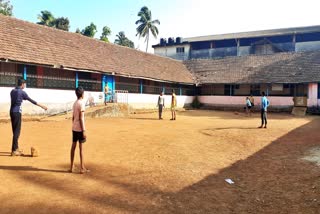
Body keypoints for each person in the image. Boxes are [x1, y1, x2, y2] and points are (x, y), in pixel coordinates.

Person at [10, 78, 47, 156]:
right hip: (17, 113)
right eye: (24, 84)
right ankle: (14, 150)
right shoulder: (22, 92)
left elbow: (17, 97)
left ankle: (16, 148)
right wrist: (42, 106)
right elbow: (32, 101)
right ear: (22, 84)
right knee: (17, 132)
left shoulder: (12, 91)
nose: (25, 85)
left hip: (12, 112)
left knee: (14, 130)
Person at [69, 87, 89, 173]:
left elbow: (73, 117)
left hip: (74, 128)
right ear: (82, 94)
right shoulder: (81, 103)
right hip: (80, 129)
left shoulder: (75, 103)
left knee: (73, 147)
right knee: (81, 149)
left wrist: (74, 125)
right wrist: (83, 130)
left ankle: (71, 167)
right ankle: (82, 168)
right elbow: (81, 118)